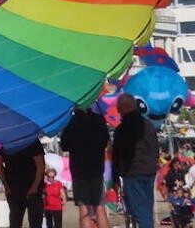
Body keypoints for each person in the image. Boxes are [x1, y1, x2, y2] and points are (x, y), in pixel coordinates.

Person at [112, 93, 160, 228]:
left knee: (139, 210)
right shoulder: (148, 124)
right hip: (149, 171)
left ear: (122, 108)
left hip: (132, 172)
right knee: (146, 208)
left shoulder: (122, 129)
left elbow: (117, 156)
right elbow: (155, 148)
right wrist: (152, 165)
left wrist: (115, 179)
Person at [60, 105, 111, 228]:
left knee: (84, 210)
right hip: (96, 169)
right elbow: (105, 141)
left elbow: (64, 145)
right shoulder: (99, 120)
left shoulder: (71, 123)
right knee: (100, 208)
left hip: (79, 171)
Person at [0, 138, 45, 228]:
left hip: (14, 187)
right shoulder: (32, 139)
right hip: (30, 186)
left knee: (15, 220)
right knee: (35, 222)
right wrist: (35, 186)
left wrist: (6, 184)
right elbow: (40, 165)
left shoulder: (6, 141)